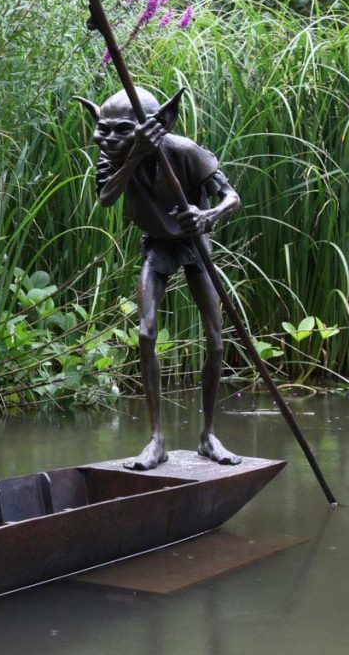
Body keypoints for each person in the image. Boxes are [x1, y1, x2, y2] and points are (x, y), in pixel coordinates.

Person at [76, 86, 242, 470]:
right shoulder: (114, 156)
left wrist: (208, 216)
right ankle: (157, 440)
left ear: (157, 126)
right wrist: (133, 153)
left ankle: (208, 436)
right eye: (103, 129)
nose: (108, 139)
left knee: (215, 339)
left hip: (194, 243)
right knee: (146, 333)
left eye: (122, 130)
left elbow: (231, 197)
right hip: (156, 244)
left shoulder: (183, 151)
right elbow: (106, 198)